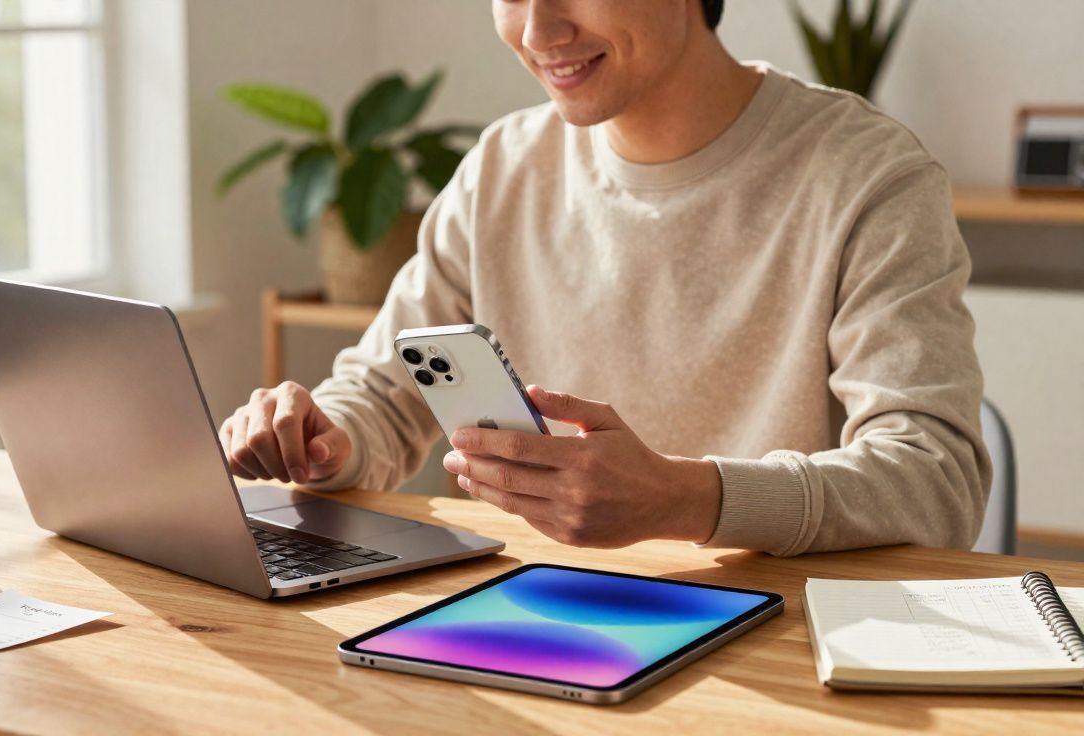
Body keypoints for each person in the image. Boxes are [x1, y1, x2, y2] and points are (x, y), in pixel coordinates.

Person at [219, 0, 991, 556]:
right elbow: (388, 393)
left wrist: (689, 498)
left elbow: (934, 481)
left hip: (775, 637)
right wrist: (325, 438)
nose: (538, 30)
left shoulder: (869, 178)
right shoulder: (502, 169)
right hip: (523, 617)